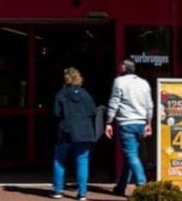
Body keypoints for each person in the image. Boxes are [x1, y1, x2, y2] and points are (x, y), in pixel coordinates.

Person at [104, 58, 153, 196]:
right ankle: (121, 186)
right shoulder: (144, 83)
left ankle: (142, 185)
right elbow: (149, 105)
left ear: (123, 68)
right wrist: (149, 123)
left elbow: (114, 102)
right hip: (141, 122)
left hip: (126, 122)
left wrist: (109, 122)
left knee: (131, 155)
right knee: (129, 156)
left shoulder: (119, 81)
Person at [51, 67, 97, 201]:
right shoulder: (85, 94)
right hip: (84, 132)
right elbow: (93, 111)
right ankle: (82, 193)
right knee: (82, 160)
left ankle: (58, 190)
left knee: (59, 160)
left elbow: (56, 113)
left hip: (66, 131)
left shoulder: (61, 94)